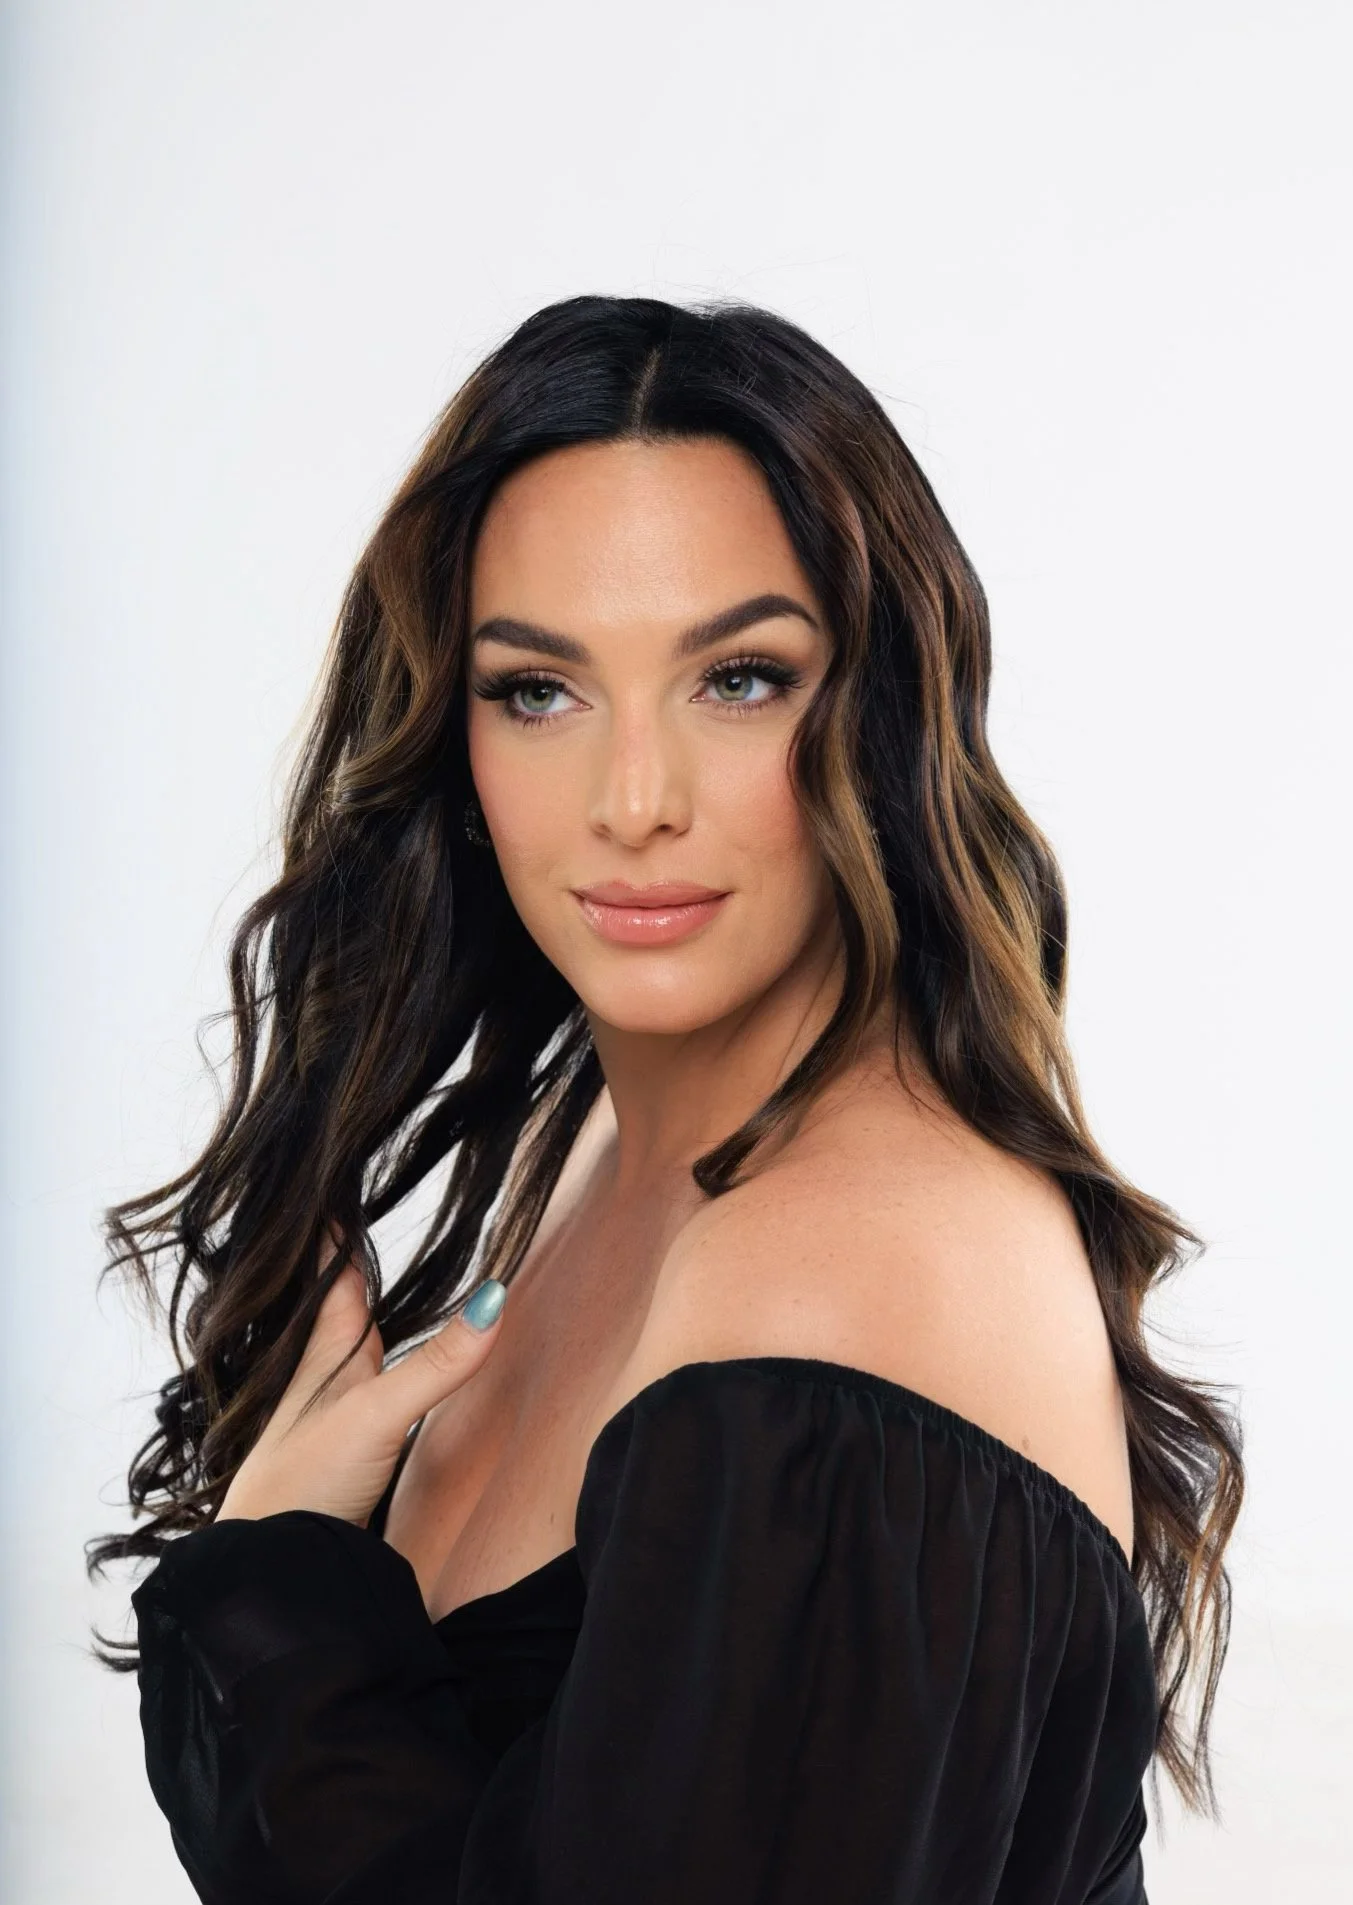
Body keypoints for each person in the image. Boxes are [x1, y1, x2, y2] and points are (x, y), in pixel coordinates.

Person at [91, 295, 1243, 1903]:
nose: (635, 803)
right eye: (539, 692)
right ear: (458, 745)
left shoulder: (848, 1263)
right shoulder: (595, 1146)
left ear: (883, 720)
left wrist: (271, 1590)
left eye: (741, 680)